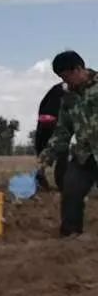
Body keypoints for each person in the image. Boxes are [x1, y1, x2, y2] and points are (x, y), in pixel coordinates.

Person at [36, 50, 98, 237]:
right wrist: (46, 157)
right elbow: (63, 131)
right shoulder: (69, 98)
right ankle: (71, 234)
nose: (65, 82)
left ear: (79, 69)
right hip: (85, 153)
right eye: (61, 78)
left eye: (66, 76)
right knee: (71, 187)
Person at [34, 77, 68, 192]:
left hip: (46, 121)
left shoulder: (58, 87)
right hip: (56, 121)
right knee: (63, 151)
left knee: (51, 149)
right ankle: (64, 184)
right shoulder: (79, 88)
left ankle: (40, 173)